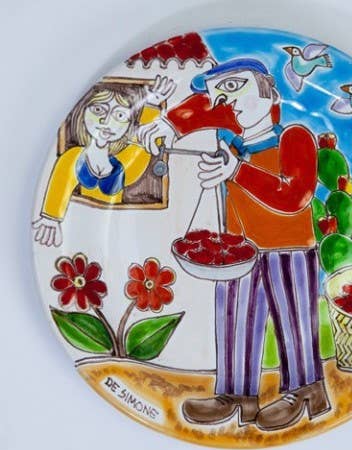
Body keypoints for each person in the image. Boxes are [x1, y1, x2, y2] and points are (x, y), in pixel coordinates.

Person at [138, 59, 331, 431]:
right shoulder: (230, 142)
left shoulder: (293, 137)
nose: (229, 101)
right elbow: (202, 110)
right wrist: (168, 124)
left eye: (236, 87)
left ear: (269, 92)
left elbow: (295, 196)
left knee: (294, 318)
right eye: (220, 95)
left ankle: (306, 390)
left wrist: (237, 171)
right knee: (236, 318)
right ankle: (236, 395)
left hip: (288, 248)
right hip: (237, 251)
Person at [32, 76, 176, 247]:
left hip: (116, 236)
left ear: (128, 125)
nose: (107, 121)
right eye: (98, 110)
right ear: (82, 112)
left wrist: (152, 106)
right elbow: (60, 183)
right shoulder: (73, 157)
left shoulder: (124, 165)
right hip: (78, 231)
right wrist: (51, 218)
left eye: (120, 115)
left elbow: (143, 146)